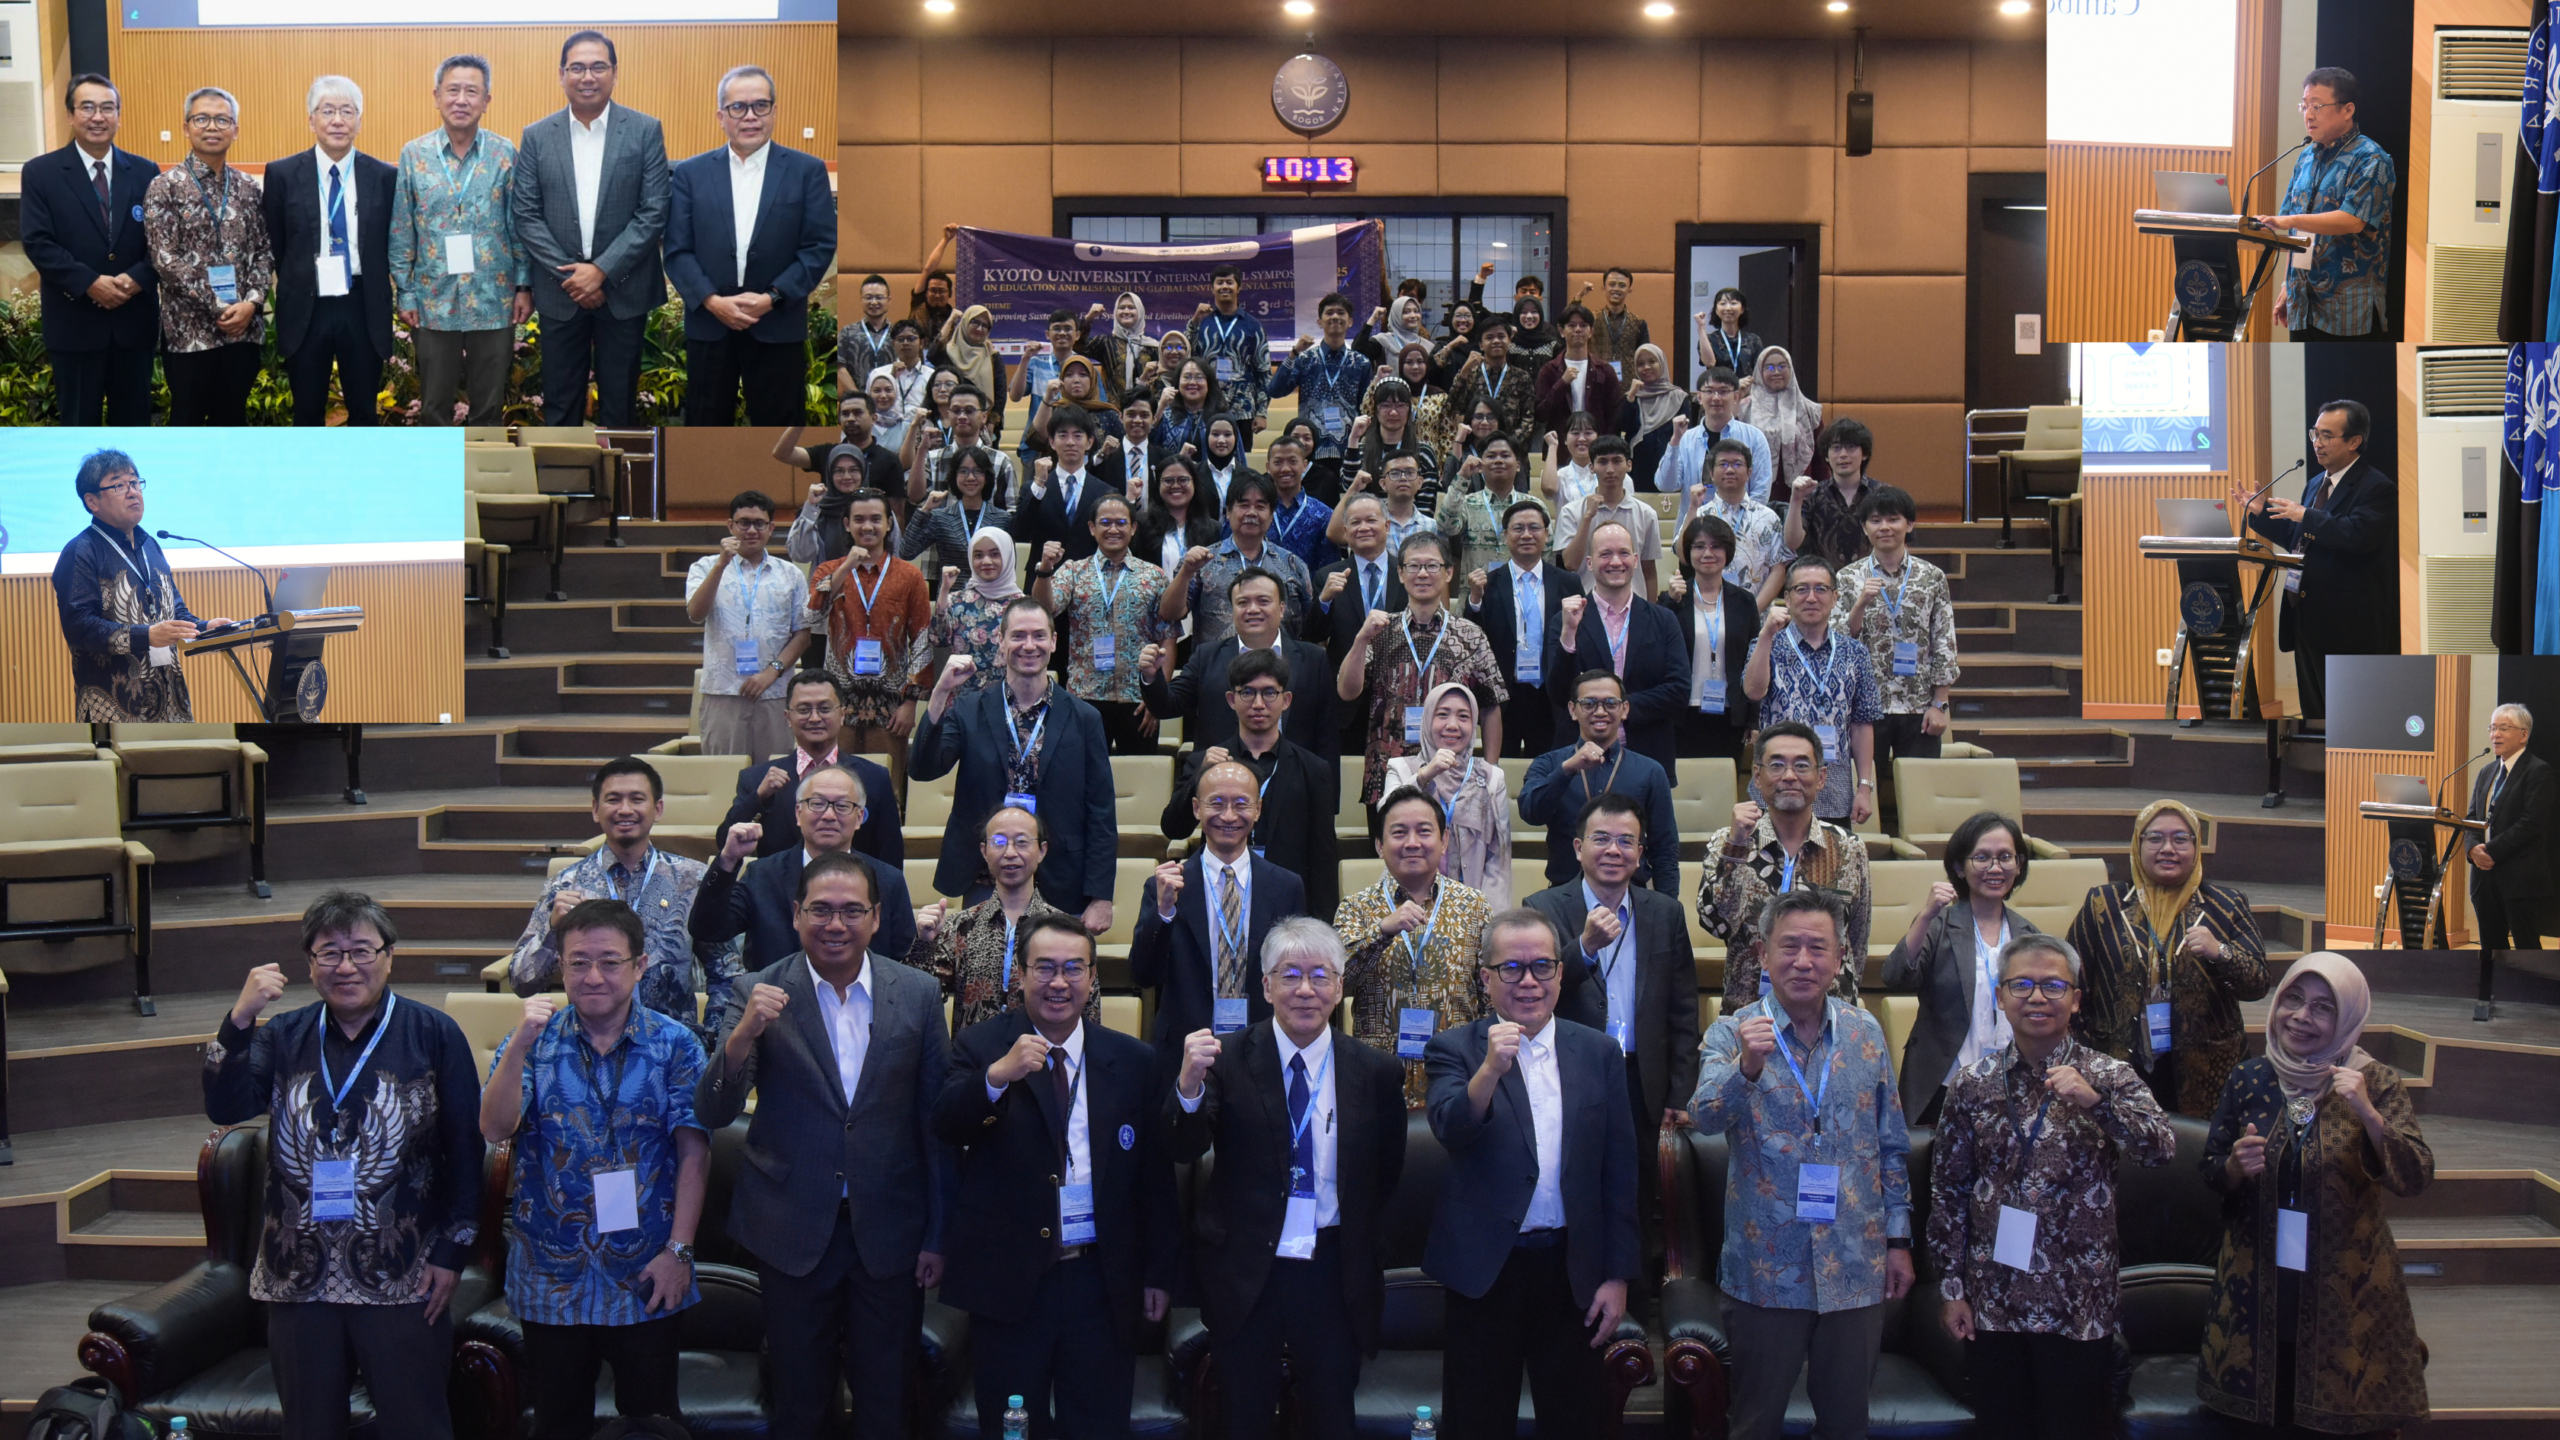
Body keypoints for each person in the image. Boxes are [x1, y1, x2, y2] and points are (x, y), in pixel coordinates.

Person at [204, 890, 483, 1440]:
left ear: (389, 956)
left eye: (361, 951)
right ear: (310, 964)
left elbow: (466, 1148)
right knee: (310, 1427)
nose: (346, 967)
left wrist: (453, 1251)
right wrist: (240, 1019)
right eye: (329, 953)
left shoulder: (433, 1033)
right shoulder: (282, 1034)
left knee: (417, 1425)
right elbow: (226, 1107)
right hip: (298, 1273)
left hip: (402, 1270)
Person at [695, 851, 951, 1440]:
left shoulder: (916, 993)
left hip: (889, 1230)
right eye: (821, 910)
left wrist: (938, 1233)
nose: (836, 924)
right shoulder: (754, 989)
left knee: (886, 1406)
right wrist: (743, 1035)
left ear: (877, 917)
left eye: (852, 911)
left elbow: (933, 1123)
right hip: (790, 1230)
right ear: (796, 914)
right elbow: (714, 1110)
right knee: (800, 1406)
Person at [934, 914, 1180, 1436]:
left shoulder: (1133, 1060)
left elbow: (1154, 1179)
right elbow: (946, 1124)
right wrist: (997, 1078)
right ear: (1020, 975)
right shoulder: (982, 1046)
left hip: (1101, 1281)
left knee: (1097, 1425)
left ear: (1092, 977)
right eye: (1044, 968)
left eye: (1073, 968)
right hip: (1011, 1280)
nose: (1059, 982)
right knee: (1012, 1427)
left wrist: (1159, 1272)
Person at [1927, 932, 2175, 1440]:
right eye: (2021, 985)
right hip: (1994, 1298)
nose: (2036, 997)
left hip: (2079, 1300)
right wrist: (1951, 1290)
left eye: (2052, 986)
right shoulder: (1972, 1084)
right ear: (2000, 996)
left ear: (2075, 999)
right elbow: (1949, 1191)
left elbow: (2161, 1150)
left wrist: (2097, 1103)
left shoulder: (2109, 1075)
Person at [1168, 917, 1408, 1440]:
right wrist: (1187, 1087)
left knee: (1331, 1418)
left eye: (1320, 975)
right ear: (1266, 985)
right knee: (1243, 1419)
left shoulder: (1375, 1070)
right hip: (1247, 1267)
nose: (1305, 989)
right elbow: (1185, 1147)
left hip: (1334, 1268)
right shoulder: (1227, 1060)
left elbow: (1385, 1171)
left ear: (1339, 988)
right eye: (1291, 974)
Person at [482, 898, 709, 1440]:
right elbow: (494, 1128)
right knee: (557, 1424)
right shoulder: (534, 1042)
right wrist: (517, 1047)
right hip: (551, 1276)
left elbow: (694, 1153)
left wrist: (679, 1253)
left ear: (640, 965)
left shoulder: (676, 1044)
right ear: (560, 967)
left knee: (652, 1425)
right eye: (578, 962)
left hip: (646, 1269)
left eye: (610, 962)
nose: (593, 976)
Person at [1691, 886, 1913, 1440]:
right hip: (1767, 1269)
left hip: (1853, 1265)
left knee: (1847, 1425)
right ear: (1763, 954)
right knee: (1754, 1423)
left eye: (1818, 948)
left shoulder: (1864, 1033)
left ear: (1841, 959)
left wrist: (1899, 1240)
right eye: (1789, 946)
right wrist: (1746, 1067)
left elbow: (1891, 1144)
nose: (1803, 961)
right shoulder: (1732, 1031)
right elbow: (1704, 1117)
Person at [1422, 908, 1638, 1440]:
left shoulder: (1599, 1052)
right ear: (1485, 978)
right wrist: (1490, 1069)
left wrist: (1617, 1276)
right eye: (1511, 968)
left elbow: (1619, 1170)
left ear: (1561, 973)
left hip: (1571, 1270)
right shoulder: (1453, 1048)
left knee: (1575, 1422)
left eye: (1542, 966)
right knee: (1477, 1423)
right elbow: (1452, 1129)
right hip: (1485, 1273)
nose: (1528, 981)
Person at [2198, 954, 2433, 1436]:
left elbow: (2415, 1177)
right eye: (2294, 999)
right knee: (2265, 1412)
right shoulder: (2249, 1077)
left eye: (2323, 1008)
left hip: (2345, 1289)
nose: (2301, 1017)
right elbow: (2211, 1171)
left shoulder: (2376, 1082)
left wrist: (2368, 1113)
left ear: (2348, 1018)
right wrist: (2234, 1168)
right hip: (2257, 1279)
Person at [912, 599, 1117, 928]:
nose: (1029, 645)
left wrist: (1101, 896)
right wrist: (941, 692)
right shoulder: (969, 709)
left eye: (1039, 635)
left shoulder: (1085, 718)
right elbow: (922, 769)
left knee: (1051, 962)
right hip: (984, 875)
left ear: (1054, 641)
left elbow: (1101, 813)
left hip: (1059, 877)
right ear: (1001, 640)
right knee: (983, 962)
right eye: (1018, 635)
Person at [1522, 792, 1702, 1164]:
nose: (1613, 850)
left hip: (1643, 1081)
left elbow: (1683, 1011)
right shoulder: (1543, 908)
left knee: (1639, 1188)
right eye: (1601, 838)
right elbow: (1535, 993)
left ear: (1640, 852)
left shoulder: (1666, 913)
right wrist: (1584, 948)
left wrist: (1680, 1092)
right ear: (1578, 848)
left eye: (1625, 841)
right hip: (1569, 1076)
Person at [2068, 798, 2272, 1116]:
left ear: (2196, 846)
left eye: (2180, 839)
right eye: (2155, 838)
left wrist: (2222, 953)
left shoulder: (2226, 905)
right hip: (2118, 1061)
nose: (2167, 848)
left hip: (2206, 1068)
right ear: (2138, 844)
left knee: (2197, 1146)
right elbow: (2072, 983)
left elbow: (2257, 984)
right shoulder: (2102, 904)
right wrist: (2082, 1057)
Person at [514, 30, 670, 428]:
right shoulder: (536, 136)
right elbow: (526, 214)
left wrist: (600, 270)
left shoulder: (645, 129)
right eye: (577, 67)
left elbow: (654, 211)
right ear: (561, 75)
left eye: (598, 66)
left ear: (614, 72)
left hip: (625, 290)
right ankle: (561, 473)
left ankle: (618, 471)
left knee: (620, 407)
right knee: (560, 406)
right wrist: (574, 278)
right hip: (560, 292)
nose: (588, 76)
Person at [666, 65, 834, 426]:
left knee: (778, 433)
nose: (750, 116)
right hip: (710, 326)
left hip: (778, 325)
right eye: (738, 107)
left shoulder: (807, 171)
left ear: (774, 111)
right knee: (706, 431)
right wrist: (713, 302)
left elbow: (818, 247)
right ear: (721, 117)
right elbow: (677, 250)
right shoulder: (690, 174)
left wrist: (771, 298)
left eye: (760, 105)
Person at [510, 755, 727, 1029]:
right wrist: (553, 931)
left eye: (637, 799)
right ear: (595, 809)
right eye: (613, 800)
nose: (625, 810)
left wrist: (713, 1038)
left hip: (672, 1046)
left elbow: (726, 969)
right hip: (588, 1042)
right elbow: (521, 981)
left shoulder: (693, 880)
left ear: (658, 809)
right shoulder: (566, 884)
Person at [1132, 759, 1311, 1064]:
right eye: (1216, 803)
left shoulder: (1285, 886)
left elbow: (1295, 973)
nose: (1228, 816)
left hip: (1265, 1048)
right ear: (1196, 808)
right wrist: (1163, 912)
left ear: (1258, 810)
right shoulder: (1165, 887)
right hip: (1184, 1049)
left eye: (1241, 804)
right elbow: (1143, 974)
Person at [2234, 399, 2397, 722]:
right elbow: (2302, 539)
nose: (2317, 443)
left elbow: (2357, 535)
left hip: (2347, 625)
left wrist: (2305, 515)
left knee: (2348, 718)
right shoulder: (2315, 484)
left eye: (2326, 436)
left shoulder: (2376, 487)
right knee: (2314, 716)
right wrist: (2262, 514)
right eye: (2314, 434)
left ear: (2354, 441)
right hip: (2305, 617)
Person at [390, 55, 526, 425]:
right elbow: (402, 229)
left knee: (489, 408)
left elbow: (519, 226)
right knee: (434, 407)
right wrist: (405, 293)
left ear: (486, 100)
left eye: (472, 91)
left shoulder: (504, 153)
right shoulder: (414, 154)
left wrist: (523, 286)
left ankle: (485, 465)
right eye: (453, 90)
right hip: (433, 301)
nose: (461, 100)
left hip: (494, 299)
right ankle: (439, 465)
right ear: (436, 96)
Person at [1882, 811, 2040, 1126]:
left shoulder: (2028, 935)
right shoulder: (1939, 924)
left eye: (2005, 857)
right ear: (1959, 867)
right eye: (1981, 858)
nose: (1995, 868)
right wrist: (1926, 915)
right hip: (1944, 1083)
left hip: (2011, 1084)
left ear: (2019, 865)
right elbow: (1896, 976)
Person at [1157, 648, 1341, 918]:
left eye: (1269, 693)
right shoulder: (1206, 761)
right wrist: (1200, 777)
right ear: (1231, 700)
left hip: (1287, 904)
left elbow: (1323, 859)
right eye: (1247, 692)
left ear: (1286, 700)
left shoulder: (1313, 769)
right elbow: (1173, 827)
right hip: (1219, 896)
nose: (1258, 704)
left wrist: (1324, 928)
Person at [52, 449, 233, 722]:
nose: (132, 492)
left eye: (135, 482)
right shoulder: (80, 552)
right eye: (119, 485)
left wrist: (206, 627)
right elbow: (79, 627)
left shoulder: (151, 546)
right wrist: (145, 636)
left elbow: (175, 612)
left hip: (171, 703)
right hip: (115, 708)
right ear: (92, 501)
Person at [1338, 788, 1494, 1103]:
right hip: (1377, 1075)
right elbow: (1337, 981)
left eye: (1424, 831)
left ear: (1444, 840)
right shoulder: (1356, 908)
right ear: (1379, 845)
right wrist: (1381, 932)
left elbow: (1490, 994)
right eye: (1399, 833)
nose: (1412, 843)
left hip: (1456, 1072)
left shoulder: (1474, 906)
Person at [1702, 723, 1874, 1007]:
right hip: (1750, 1011)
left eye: (1802, 766)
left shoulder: (1849, 848)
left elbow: (1856, 938)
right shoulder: (1728, 842)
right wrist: (1736, 847)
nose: (1790, 776)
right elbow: (1716, 924)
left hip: (1829, 1010)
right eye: (1777, 765)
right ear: (1758, 776)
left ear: (1821, 777)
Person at [25, 74, 160, 425]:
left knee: (134, 426)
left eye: (107, 108)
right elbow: (38, 241)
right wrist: (89, 283)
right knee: (78, 426)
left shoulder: (145, 171)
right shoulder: (41, 172)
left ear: (118, 116)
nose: (98, 117)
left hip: (133, 324)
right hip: (75, 324)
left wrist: (136, 278)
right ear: (70, 115)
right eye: (87, 108)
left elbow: (163, 242)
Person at [260, 76, 395, 426]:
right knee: (307, 411)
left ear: (359, 121)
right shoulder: (282, 174)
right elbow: (277, 241)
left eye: (347, 111)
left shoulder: (383, 176)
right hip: (307, 302)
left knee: (364, 410)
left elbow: (390, 241)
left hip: (362, 302)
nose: (338, 120)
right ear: (311, 119)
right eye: (327, 111)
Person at [1336, 532, 1508, 802]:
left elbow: (1490, 706)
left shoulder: (1471, 634)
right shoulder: (1380, 631)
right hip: (1387, 772)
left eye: (1432, 566)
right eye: (1414, 566)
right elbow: (1347, 692)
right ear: (1401, 573)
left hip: (1453, 775)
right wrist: (1361, 639)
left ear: (1449, 573)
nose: (1423, 574)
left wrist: (1490, 770)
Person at [693, 759, 919, 964]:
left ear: (859, 817)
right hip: (776, 995)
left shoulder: (888, 880)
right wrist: (728, 859)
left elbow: (905, 963)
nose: (829, 815)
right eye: (817, 803)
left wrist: (926, 940)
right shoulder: (762, 875)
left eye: (842, 806)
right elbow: (707, 929)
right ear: (798, 813)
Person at [145, 86, 272, 425]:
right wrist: (221, 306)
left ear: (235, 129)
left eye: (222, 120)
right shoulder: (165, 186)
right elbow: (165, 259)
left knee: (232, 420)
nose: (212, 126)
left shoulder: (248, 188)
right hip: (189, 334)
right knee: (187, 423)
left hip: (242, 331)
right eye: (202, 119)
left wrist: (252, 303)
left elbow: (264, 250)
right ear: (186, 128)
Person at [806, 489, 933, 799]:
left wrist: (910, 703)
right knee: (836, 789)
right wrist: (846, 567)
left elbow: (921, 639)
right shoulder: (829, 570)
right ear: (846, 524)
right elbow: (812, 615)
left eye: (876, 519)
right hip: (839, 700)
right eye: (859, 520)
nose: (867, 527)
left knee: (886, 791)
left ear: (889, 524)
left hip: (890, 702)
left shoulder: (909, 575)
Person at [2255, 67, 2398, 340]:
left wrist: (2286, 221)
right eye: (2304, 105)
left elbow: (2352, 220)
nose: (2308, 115)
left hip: (2347, 309)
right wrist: (2287, 285)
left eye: (2317, 106)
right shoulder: (2306, 157)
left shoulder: (2371, 158)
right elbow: (2299, 232)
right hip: (2302, 302)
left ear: (2347, 110)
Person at [911, 804, 1082, 1029]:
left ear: (1042, 851)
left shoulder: (1067, 932)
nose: (1010, 853)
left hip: (1043, 1049)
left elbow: (1086, 1011)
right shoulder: (959, 927)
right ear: (984, 851)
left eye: (1021, 842)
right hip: (973, 1051)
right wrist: (925, 943)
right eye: (999, 842)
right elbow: (919, 1002)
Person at [1141, 567, 1335, 763]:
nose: (1253, 609)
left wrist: (1328, 781)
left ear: (1282, 609)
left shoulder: (1313, 659)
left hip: (1292, 774)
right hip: (1223, 774)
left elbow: (1327, 733)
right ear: (1232, 610)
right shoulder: (1206, 656)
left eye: (1263, 601)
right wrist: (1151, 676)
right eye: (1242, 602)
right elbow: (1167, 706)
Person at [1833, 484, 1958, 787]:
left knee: (1921, 789)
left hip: (1918, 703)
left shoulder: (1932, 577)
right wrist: (1860, 604)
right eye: (1875, 520)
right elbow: (1838, 640)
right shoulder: (1848, 577)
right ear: (1865, 528)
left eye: (1893, 519)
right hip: (1864, 705)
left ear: (1909, 524)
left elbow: (1944, 638)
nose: (1884, 527)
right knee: (1863, 789)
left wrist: (1940, 704)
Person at [1743, 555, 1883, 826]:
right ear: (1787, 597)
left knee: (1830, 855)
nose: (1811, 597)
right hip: (1777, 788)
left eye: (1821, 589)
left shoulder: (1855, 652)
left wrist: (1865, 787)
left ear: (1835, 597)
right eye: (1801, 589)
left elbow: (1862, 723)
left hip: (1835, 792)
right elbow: (1753, 692)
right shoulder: (1767, 643)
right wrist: (1766, 635)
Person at [1546, 518, 1688, 780]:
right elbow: (1558, 694)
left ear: (1635, 560)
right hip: (1580, 761)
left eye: (1623, 553)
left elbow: (1679, 690)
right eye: (1605, 554)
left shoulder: (1664, 620)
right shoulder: (1564, 620)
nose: (1615, 562)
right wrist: (1569, 635)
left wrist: (1617, 707)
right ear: (1590, 563)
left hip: (1647, 758)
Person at [713, 670, 902, 866]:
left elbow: (890, 858)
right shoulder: (756, 779)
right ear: (788, 717)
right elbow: (724, 843)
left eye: (825, 709)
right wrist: (759, 798)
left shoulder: (874, 777)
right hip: (780, 885)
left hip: (854, 883)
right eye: (803, 710)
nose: (814, 718)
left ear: (842, 715)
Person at [1519, 670, 1681, 897]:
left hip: (1632, 896)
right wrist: (1567, 770)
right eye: (1589, 704)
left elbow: (1665, 848)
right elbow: (1531, 813)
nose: (1601, 711)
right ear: (1572, 710)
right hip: (1565, 897)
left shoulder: (1650, 771)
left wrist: (1668, 908)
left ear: (1624, 709)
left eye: (1610, 703)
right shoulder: (1549, 764)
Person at [1032, 492, 1173, 752]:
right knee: (1085, 774)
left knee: (1141, 772)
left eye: (1121, 523)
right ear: (1092, 528)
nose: (1113, 529)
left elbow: (1167, 637)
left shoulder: (1154, 576)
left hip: (1138, 697)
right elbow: (1044, 610)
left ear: (1133, 528)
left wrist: (1158, 698)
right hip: (1086, 696)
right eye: (1105, 522)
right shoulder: (1074, 571)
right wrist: (1045, 569)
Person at [686, 489, 812, 761]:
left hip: (774, 693)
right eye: (744, 523)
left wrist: (771, 672)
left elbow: (803, 635)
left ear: (771, 528)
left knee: (776, 774)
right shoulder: (705, 567)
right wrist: (721, 565)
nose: (751, 530)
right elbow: (696, 613)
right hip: (723, 692)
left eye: (759, 523)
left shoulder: (790, 574)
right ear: (730, 526)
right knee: (724, 775)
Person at [1378, 682, 1514, 908]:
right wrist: (1425, 775)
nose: (1453, 725)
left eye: (1463, 717)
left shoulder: (1492, 778)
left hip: (1470, 907)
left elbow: (1498, 859)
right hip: (1406, 904)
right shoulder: (1401, 768)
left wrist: (1489, 918)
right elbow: (1385, 814)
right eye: (1442, 715)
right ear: (1427, 720)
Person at [1461, 496, 1573, 758]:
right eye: (1518, 528)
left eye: (1534, 528)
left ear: (1547, 534)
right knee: (1500, 770)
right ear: (1505, 535)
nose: (1526, 535)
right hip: (1503, 696)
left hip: (1549, 695)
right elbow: (1472, 637)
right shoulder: (1488, 583)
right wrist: (1474, 600)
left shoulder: (1568, 583)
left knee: (1549, 769)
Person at [1163, 473, 1317, 645]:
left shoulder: (1293, 565)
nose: (1251, 513)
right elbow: (1170, 614)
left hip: (1279, 660)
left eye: (1260, 506)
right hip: (1218, 661)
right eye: (1243, 505)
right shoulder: (1202, 561)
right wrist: (1186, 572)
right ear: (1228, 511)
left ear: (1272, 514)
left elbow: (1311, 626)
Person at [1660, 512, 1760, 763]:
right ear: (1688, 552)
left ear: (1727, 552)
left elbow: (1754, 661)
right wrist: (1670, 602)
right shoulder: (1673, 599)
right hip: (1682, 713)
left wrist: (1753, 718)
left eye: (1716, 546)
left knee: (1724, 780)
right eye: (1699, 546)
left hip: (1730, 713)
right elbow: (1656, 651)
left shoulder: (1744, 601)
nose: (1707, 553)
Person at [2469, 703, 2556, 950]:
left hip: (2519, 878)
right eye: (2492, 728)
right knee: (2491, 950)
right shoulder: (2486, 772)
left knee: (2527, 950)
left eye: (2503, 729)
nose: (2495, 735)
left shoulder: (2538, 771)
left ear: (2523, 734)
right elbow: (2471, 817)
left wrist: (2489, 851)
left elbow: (2531, 824)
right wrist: (2472, 849)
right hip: (2483, 877)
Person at [1271, 291, 1375, 470]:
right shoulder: (1305, 359)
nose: (1335, 317)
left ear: (1350, 321)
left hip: (1348, 446)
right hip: (1309, 446)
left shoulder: (1361, 363)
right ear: (1319, 322)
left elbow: (1364, 407)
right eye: (1329, 312)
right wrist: (1293, 353)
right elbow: (1275, 390)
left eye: (1341, 313)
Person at [897, 426, 1016, 580]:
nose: (971, 478)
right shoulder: (940, 517)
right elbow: (906, 552)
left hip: (991, 591)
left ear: (987, 477)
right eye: (963, 471)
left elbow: (1010, 566)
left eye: (977, 471)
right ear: (954, 477)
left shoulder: (1002, 519)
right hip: (952, 591)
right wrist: (925, 510)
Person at [1684, 437, 1792, 603]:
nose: (1729, 470)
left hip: (1758, 612)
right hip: (1707, 609)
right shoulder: (1699, 514)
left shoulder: (1768, 517)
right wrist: (1692, 507)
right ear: (1711, 474)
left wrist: (1753, 611)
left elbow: (1778, 571)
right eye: (1723, 464)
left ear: (1749, 473)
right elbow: (1683, 556)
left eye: (1737, 464)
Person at [1554, 437, 1664, 594]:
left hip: (1635, 602)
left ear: (1629, 465)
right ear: (1592, 467)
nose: (1610, 469)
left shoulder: (1646, 514)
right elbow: (1570, 564)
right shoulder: (1571, 512)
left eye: (1617, 461)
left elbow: (1649, 572)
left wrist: (1651, 608)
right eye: (1603, 462)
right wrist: (1587, 518)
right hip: (1587, 601)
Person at [926, 528, 1023, 700]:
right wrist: (944, 590)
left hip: (1010, 700)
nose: (986, 561)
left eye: (994, 554)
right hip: (963, 700)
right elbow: (937, 639)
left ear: (1008, 556)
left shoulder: (1023, 605)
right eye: (978, 555)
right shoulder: (956, 601)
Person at [1660, 366, 1776, 509]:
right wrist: (1675, 441)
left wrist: (1742, 518)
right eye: (1709, 391)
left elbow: (1761, 491)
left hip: (1740, 520)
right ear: (1699, 397)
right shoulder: (1686, 439)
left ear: (1736, 397)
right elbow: (1666, 485)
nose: (1716, 398)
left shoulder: (1754, 437)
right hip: (1694, 520)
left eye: (1723, 392)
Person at [1187, 262, 1270, 436]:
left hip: (1243, 408)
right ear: (1212, 289)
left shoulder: (1253, 326)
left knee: (1242, 453)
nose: (1224, 286)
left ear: (1238, 288)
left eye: (1229, 282)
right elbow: (1185, 357)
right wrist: (1194, 322)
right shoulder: (1202, 323)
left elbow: (1263, 371)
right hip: (1206, 406)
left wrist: (1262, 412)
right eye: (1220, 282)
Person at [1441, 437, 1543, 577]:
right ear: (1481, 466)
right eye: (1491, 456)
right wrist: (1462, 476)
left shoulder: (1534, 507)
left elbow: (1547, 553)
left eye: (1505, 455)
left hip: (1523, 587)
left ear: (1518, 465)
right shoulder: (1466, 504)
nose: (1498, 461)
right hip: (1475, 588)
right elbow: (1446, 527)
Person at [1444, 316, 1537, 459]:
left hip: (1511, 454)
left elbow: (1528, 420)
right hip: (1474, 453)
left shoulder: (1522, 377)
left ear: (1510, 341)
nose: (1496, 341)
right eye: (1489, 337)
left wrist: (1508, 445)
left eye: (1501, 336)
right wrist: (1463, 374)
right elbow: (1451, 410)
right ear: (1481, 345)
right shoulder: (1469, 374)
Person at [1534, 304, 1625, 441]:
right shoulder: (1549, 370)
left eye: (1583, 325)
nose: (1577, 329)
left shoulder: (1605, 370)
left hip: (1597, 446)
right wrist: (1561, 384)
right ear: (1561, 331)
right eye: (1571, 325)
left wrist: (1604, 444)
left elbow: (1615, 414)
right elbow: (1541, 414)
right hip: (1561, 446)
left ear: (1591, 331)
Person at [1737, 344, 1822, 489]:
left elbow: (1820, 458)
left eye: (1782, 366)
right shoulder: (1744, 408)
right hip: (1755, 489)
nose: (1776, 372)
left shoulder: (1809, 409)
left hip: (1801, 490)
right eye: (1769, 367)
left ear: (1791, 369)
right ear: (1759, 371)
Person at [1619, 345, 1692, 493]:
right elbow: (1625, 428)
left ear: (1662, 363)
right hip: (1639, 468)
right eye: (1640, 364)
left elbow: (1686, 437)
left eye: (1652, 361)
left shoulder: (1678, 397)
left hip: (1670, 467)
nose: (1646, 367)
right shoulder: (1632, 398)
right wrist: (1631, 397)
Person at [1264, 434, 1338, 572]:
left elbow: (1328, 568)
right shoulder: (1257, 511)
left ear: (1304, 465)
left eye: (1293, 461)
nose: (1285, 469)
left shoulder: (1323, 515)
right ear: (1268, 467)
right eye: (1278, 462)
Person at [838, 272, 897, 398]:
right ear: (861, 299)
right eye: (868, 297)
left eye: (879, 297)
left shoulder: (898, 333)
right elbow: (840, 368)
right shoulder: (847, 332)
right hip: (855, 402)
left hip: (891, 402)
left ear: (889, 300)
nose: (874, 302)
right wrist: (861, 398)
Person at [1587, 267, 1650, 374]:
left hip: (1629, 381)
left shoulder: (1638, 323)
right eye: (1612, 284)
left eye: (1622, 285)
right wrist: (1579, 297)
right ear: (1604, 288)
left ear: (1629, 291)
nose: (1616, 289)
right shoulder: (1590, 319)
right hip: (1596, 379)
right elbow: (1566, 323)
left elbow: (1644, 357)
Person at [1694, 287, 1762, 383]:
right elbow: (1710, 363)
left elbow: (1759, 371)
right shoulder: (1709, 339)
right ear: (1716, 310)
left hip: (1748, 389)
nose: (1728, 308)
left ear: (1742, 309)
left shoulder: (1753, 340)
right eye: (1723, 304)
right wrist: (1701, 327)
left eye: (1733, 303)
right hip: (1719, 390)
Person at [911, 220, 959, 334]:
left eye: (941, 291)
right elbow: (928, 269)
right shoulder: (918, 305)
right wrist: (945, 240)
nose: (937, 295)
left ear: (950, 293)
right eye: (933, 290)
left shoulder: (955, 318)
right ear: (925, 292)